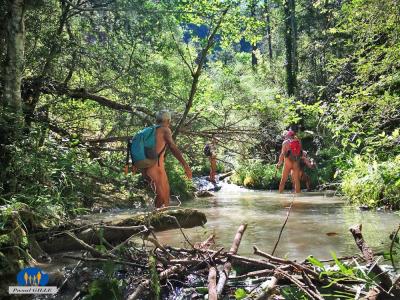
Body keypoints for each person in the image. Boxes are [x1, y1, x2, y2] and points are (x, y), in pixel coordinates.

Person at [143, 110, 192, 208]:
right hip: (154, 168)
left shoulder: (148, 130)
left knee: (165, 198)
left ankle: (163, 220)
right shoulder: (165, 130)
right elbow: (172, 147)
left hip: (151, 168)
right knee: (161, 197)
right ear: (168, 120)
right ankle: (155, 220)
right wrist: (185, 165)